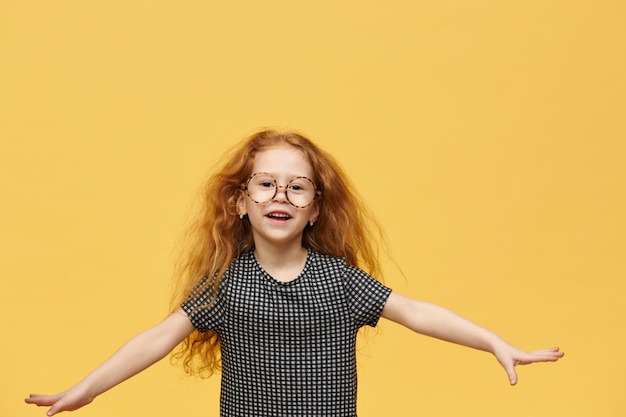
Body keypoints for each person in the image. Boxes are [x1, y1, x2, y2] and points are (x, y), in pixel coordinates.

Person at [25, 129, 564, 417]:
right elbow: (156, 339)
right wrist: (88, 388)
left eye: (297, 186)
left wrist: (494, 341)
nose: (280, 195)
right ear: (240, 202)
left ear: (315, 208)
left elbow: (418, 313)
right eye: (265, 184)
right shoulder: (225, 285)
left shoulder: (342, 281)